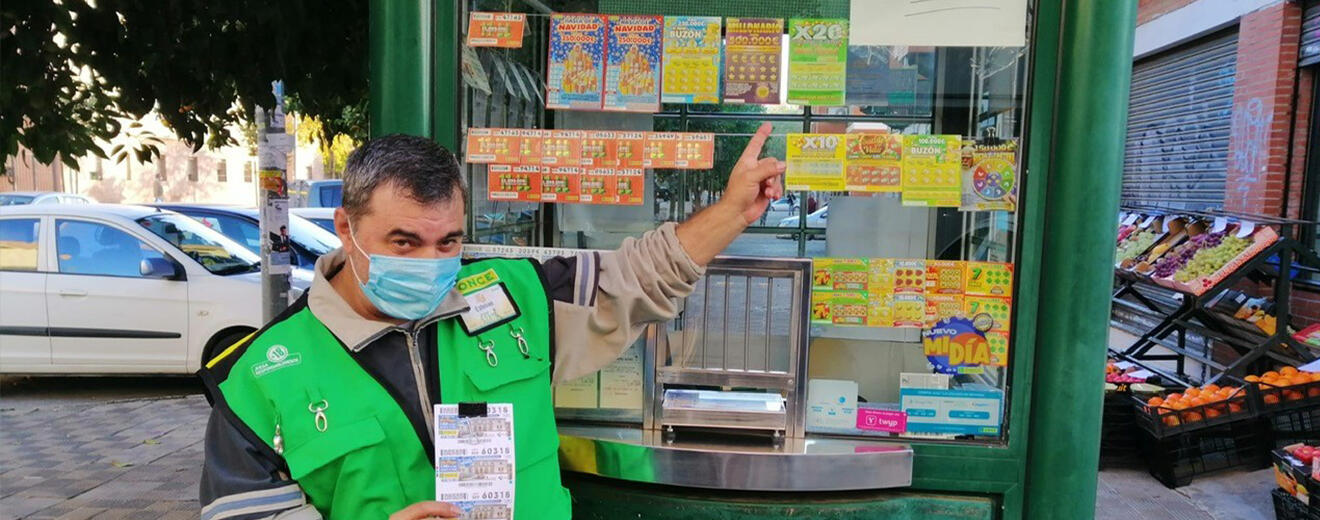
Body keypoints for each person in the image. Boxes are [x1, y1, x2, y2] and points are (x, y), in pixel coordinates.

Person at [197, 123, 785, 520]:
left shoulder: (516, 294)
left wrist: (733, 211)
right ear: (346, 229)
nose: (431, 263)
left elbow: (638, 276)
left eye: (449, 242)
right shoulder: (260, 377)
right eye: (404, 242)